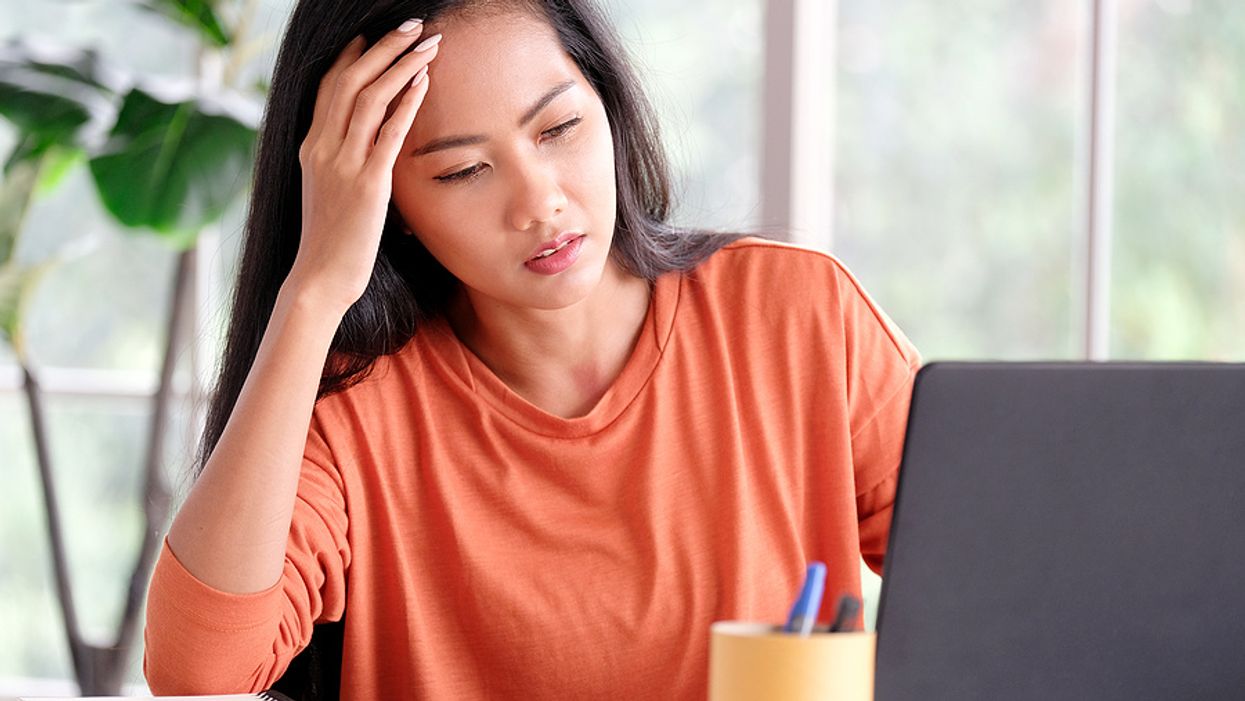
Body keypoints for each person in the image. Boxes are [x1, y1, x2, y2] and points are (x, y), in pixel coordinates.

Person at [142, 0, 921, 698]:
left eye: (558, 129)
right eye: (463, 171)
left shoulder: (796, 314)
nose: (539, 201)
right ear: (384, 200)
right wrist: (312, 291)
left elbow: (985, 580)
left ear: (607, 103)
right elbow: (198, 669)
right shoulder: (353, 407)